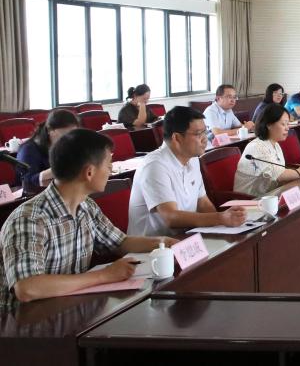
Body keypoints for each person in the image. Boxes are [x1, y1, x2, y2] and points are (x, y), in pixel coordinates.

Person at [0, 129, 176, 303]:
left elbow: (120, 242)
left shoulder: (86, 206)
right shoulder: (29, 219)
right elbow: (27, 288)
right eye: (108, 164)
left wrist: (163, 242)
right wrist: (103, 275)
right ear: (89, 172)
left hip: (71, 306)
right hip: (27, 317)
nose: (111, 170)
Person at [128, 107, 247, 236]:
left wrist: (223, 228)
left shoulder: (192, 159)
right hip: (154, 245)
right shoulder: (154, 166)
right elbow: (170, 217)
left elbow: (203, 204)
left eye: (205, 132)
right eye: (198, 134)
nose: (205, 139)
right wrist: (221, 218)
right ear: (177, 138)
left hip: (185, 237)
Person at [235, 104, 300, 196]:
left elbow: (276, 176)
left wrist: (299, 170)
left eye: (288, 124)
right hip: (249, 201)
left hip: (270, 196)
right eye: (283, 124)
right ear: (269, 125)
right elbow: (279, 175)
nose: (287, 128)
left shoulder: (275, 145)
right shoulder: (256, 147)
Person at [16, 109, 79, 195]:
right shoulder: (28, 149)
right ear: (50, 130)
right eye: (65, 134)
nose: (69, 138)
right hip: (34, 195)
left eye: (73, 134)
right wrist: (58, 170)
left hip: (62, 190)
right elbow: (28, 181)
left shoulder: (67, 144)